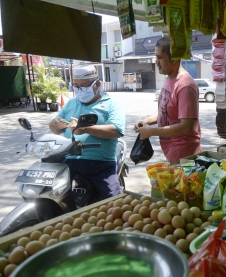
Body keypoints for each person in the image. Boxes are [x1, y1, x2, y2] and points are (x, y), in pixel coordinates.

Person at [48, 65, 125, 200]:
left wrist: (86, 129)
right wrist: (55, 123)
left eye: (84, 85)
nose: (80, 90)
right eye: (76, 86)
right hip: (70, 160)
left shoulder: (112, 103)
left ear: (97, 84)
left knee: (115, 203)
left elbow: (116, 130)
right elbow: (54, 129)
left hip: (101, 164)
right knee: (53, 194)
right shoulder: (71, 103)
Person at [134, 36, 202, 164]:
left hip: (184, 156)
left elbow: (187, 127)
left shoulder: (185, 86)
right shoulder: (170, 78)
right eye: (156, 57)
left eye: (160, 57)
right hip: (172, 153)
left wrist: (152, 131)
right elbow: (165, 109)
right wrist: (146, 121)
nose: (156, 62)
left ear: (175, 59)